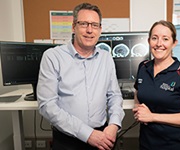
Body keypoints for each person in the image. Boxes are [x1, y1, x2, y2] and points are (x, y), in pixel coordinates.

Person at [37, 3, 125, 150]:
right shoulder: (53, 57)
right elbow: (47, 105)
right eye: (84, 24)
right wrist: (87, 134)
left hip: (103, 136)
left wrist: (114, 125)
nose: (90, 30)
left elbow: (114, 96)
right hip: (68, 140)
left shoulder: (106, 58)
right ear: (73, 27)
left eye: (95, 25)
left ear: (100, 29)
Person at [132, 20, 180, 150]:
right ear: (149, 41)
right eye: (154, 38)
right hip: (146, 143)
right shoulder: (143, 67)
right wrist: (138, 107)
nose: (159, 44)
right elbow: (138, 91)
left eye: (165, 39)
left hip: (175, 145)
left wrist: (152, 117)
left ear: (174, 43)